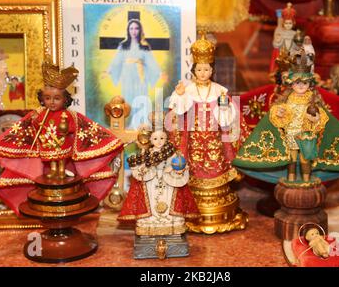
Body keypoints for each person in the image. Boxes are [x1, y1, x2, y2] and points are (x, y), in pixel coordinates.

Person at [0, 59, 124, 214]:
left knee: (60, 160)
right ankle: (53, 171)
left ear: (65, 100)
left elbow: (77, 127)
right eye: (47, 98)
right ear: (42, 99)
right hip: (47, 144)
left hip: (63, 145)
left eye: (56, 98)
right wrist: (37, 122)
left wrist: (66, 127)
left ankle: (61, 171)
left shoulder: (69, 115)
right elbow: (31, 126)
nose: (52, 102)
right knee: (52, 161)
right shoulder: (40, 114)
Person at [233, 51, 339, 184]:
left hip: (306, 134)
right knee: (291, 157)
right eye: (297, 82)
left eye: (305, 83)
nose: (301, 86)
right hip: (291, 133)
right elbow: (277, 113)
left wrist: (313, 119)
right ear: (291, 83)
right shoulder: (287, 99)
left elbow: (321, 117)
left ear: (309, 83)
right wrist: (279, 113)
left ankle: (306, 178)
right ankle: (291, 177)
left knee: (305, 158)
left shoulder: (312, 99)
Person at [167, 32, 250, 233]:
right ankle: (193, 194)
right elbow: (177, 112)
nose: (203, 73)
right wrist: (178, 96)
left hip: (214, 138)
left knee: (217, 160)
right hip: (194, 138)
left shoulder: (220, 90)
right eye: (200, 69)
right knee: (194, 162)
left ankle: (219, 191)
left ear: (211, 70)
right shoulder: (186, 89)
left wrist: (223, 109)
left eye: (207, 69)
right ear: (194, 70)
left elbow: (229, 118)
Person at [118, 122, 199, 238]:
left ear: (166, 139)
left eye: (162, 138)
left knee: (168, 202)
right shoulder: (147, 155)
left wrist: (174, 169)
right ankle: (150, 225)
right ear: (150, 140)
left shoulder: (172, 154)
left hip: (168, 182)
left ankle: (171, 226)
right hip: (152, 182)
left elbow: (181, 165)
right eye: (155, 138)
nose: (159, 141)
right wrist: (143, 169)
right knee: (151, 203)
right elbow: (140, 169)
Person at [107, 18, 164, 128]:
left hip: (140, 76)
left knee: (141, 97)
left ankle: (141, 125)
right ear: (128, 30)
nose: (134, 31)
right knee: (128, 98)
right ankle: (129, 125)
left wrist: (159, 73)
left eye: (136, 28)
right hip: (127, 76)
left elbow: (151, 62)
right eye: (131, 28)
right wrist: (109, 70)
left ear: (140, 30)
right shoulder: (123, 46)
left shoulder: (144, 46)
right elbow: (116, 61)